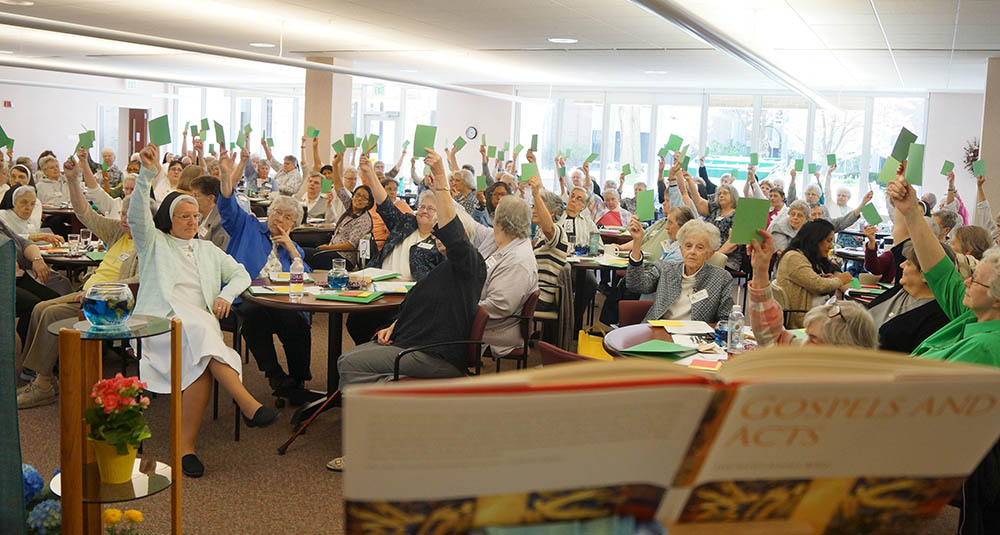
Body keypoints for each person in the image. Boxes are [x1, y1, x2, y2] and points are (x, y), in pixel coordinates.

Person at [128, 143, 276, 478]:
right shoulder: (154, 243)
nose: (193, 221)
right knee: (201, 331)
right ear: (170, 218)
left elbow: (240, 273)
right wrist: (146, 175)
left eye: (196, 216)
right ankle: (247, 403)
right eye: (185, 217)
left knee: (200, 349)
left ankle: (186, 449)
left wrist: (226, 294)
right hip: (160, 324)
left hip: (195, 329)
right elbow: (137, 215)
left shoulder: (207, 249)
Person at [888, 164, 1000, 535]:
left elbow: (920, 392)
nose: (966, 280)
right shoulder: (973, 314)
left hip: (928, 445)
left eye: (976, 279)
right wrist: (911, 213)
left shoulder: (989, 345)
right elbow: (939, 270)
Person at [336, 148, 486, 386]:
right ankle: (378, 402)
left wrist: (441, 180)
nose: (438, 234)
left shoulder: (470, 265)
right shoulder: (441, 269)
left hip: (435, 352)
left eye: (443, 229)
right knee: (355, 353)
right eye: (437, 230)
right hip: (414, 339)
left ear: (464, 236)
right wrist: (394, 327)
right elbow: (419, 305)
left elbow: (454, 237)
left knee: (348, 362)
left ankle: (369, 412)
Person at [16, 179, 140, 408]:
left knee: (51, 313)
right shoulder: (117, 233)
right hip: (88, 291)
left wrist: (100, 292)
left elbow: (138, 281)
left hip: (108, 303)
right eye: (122, 214)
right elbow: (85, 213)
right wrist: (73, 178)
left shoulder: (145, 245)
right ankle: (42, 376)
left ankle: (42, 386)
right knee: (40, 308)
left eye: (129, 216)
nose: (123, 219)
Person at [217, 147, 314, 392]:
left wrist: (292, 251)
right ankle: (275, 375)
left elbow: (306, 282)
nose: (280, 219)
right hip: (243, 298)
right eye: (277, 213)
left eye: (287, 217)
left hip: (279, 301)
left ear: (294, 225)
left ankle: (298, 380)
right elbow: (227, 207)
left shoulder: (292, 249)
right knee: (254, 314)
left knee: (295, 319)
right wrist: (227, 176)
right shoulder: (247, 226)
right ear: (268, 213)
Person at [747, 229, 877, 348]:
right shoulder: (795, 257)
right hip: (798, 314)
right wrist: (760, 270)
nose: (803, 343)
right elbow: (773, 335)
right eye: (828, 241)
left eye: (813, 339)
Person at [625, 218, 734, 323]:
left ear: (709, 254)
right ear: (681, 250)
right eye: (688, 246)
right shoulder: (666, 269)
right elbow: (636, 284)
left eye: (700, 247)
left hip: (694, 338)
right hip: (660, 331)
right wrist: (637, 242)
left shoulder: (721, 278)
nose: (692, 251)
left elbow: (725, 319)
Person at [867, 240, 957, 353]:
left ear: (926, 274)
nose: (901, 265)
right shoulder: (900, 290)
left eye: (908, 263)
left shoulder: (938, 317)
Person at [479, 193, 538, 357]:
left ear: (501, 221)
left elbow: (499, 306)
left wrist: (462, 308)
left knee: (435, 325)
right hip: (488, 320)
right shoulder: (504, 243)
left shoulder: (518, 260)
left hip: (495, 331)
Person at [775, 219, 854, 328]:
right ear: (815, 240)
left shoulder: (807, 257)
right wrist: (840, 280)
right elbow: (818, 285)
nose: (830, 246)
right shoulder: (793, 257)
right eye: (828, 241)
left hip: (814, 313)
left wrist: (829, 281)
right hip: (803, 317)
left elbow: (815, 283)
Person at [306, 156, 374, 270]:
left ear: (368, 203)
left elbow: (351, 245)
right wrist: (335, 165)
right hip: (333, 251)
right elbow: (339, 187)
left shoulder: (364, 219)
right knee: (302, 248)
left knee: (304, 254)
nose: (359, 199)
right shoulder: (351, 208)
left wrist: (326, 248)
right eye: (357, 195)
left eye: (363, 197)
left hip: (343, 258)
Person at [686, 175, 742, 270]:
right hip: (706, 253)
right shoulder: (714, 209)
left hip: (727, 258)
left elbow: (733, 242)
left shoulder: (738, 215)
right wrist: (689, 180)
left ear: (733, 196)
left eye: (725, 193)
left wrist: (715, 256)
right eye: (719, 194)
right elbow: (698, 200)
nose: (721, 195)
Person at [189, 175, 229, 251]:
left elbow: (218, 254)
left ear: (210, 198)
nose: (192, 199)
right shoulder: (199, 216)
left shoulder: (220, 223)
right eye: (192, 195)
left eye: (196, 196)